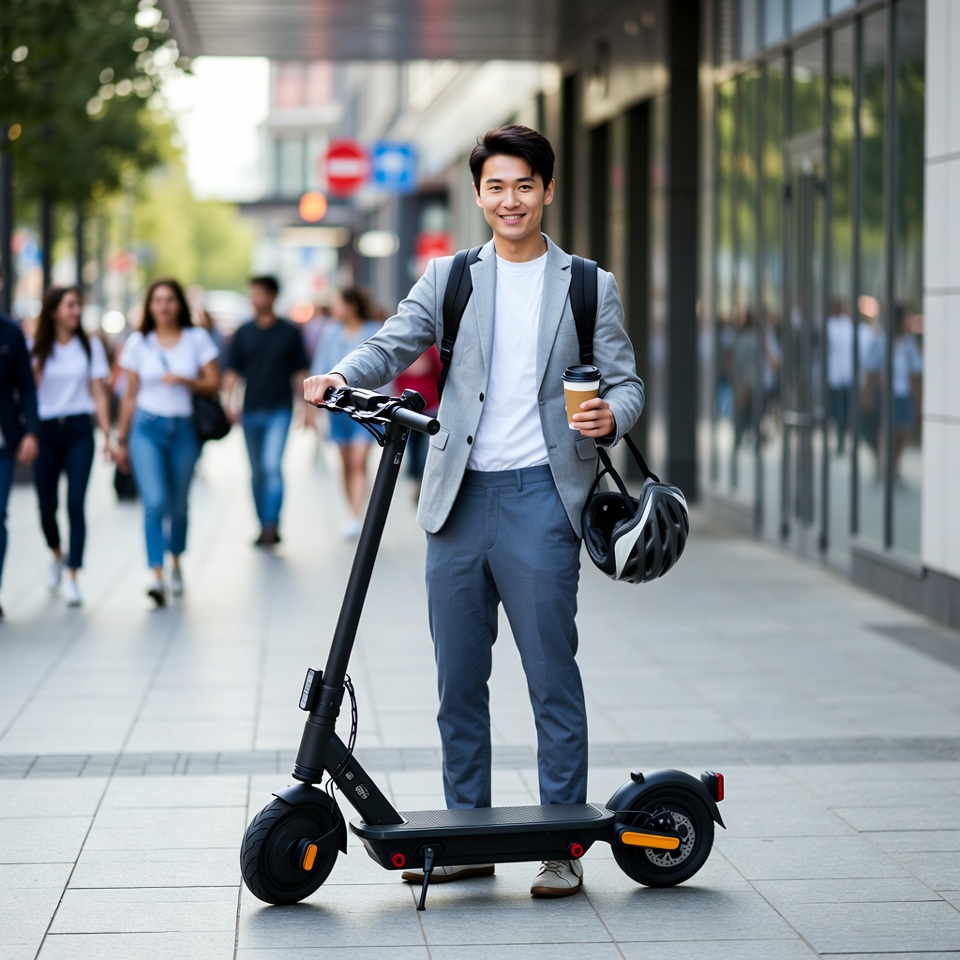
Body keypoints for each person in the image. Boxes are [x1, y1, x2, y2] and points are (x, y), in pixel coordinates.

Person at [304, 125, 644, 897]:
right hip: (456, 501)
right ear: (479, 194)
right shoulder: (450, 276)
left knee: (551, 678)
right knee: (459, 681)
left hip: (542, 500)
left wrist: (611, 418)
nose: (510, 199)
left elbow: (626, 384)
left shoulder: (589, 283)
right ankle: (467, 835)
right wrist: (339, 373)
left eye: (524, 185)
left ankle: (562, 844)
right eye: (496, 186)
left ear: (547, 191)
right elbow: (392, 345)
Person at [115, 278, 220, 606]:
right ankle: (156, 574)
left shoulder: (196, 338)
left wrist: (185, 379)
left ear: (179, 305)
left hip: (184, 429)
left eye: (169, 300)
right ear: (149, 306)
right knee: (155, 501)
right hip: (146, 429)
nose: (163, 306)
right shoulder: (138, 342)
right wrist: (120, 439)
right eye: (157, 300)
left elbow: (213, 382)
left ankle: (175, 559)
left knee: (178, 505)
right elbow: (129, 395)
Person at [30, 287, 113, 606]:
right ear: (53, 312)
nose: (76, 311)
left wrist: (107, 434)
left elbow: (99, 392)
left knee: (76, 504)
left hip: (79, 429)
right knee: (45, 508)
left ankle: (72, 574)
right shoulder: (36, 347)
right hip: (46, 431)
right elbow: (27, 390)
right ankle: (56, 553)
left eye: (78, 305)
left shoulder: (89, 346)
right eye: (69, 306)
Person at [224, 276, 309, 547]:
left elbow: (301, 372)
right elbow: (232, 372)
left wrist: (306, 408)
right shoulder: (244, 332)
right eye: (251, 294)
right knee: (257, 471)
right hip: (250, 410)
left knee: (272, 466)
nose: (253, 299)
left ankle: (271, 523)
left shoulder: (289, 332)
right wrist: (229, 402)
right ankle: (262, 524)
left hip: (279, 410)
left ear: (272, 296)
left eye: (258, 294)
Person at [311, 287, 382, 539]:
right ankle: (351, 515)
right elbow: (320, 366)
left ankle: (356, 514)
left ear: (351, 305)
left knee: (358, 461)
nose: (334, 309)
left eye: (338, 303)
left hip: (367, 410)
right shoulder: (330, 332)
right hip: (338, 409)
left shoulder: (374, 330)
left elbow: (384, 368)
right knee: (344, 463)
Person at [0, 270, 39, 619]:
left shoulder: (11, 332)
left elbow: (26, 385)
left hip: (4, 442)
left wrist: (30, 431)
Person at [394, 344, 441, 500]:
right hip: (407, 408)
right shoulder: (402, 348)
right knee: (412, 447)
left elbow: (441, 369)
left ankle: (424, 483)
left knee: (425, 449)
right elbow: (396, 375)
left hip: (431, 407)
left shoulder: (431, 348)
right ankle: (416, 481)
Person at [825, 300, 854, 455]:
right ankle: (840, 437)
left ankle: (841, 438)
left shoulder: (843, 325)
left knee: (840, 410)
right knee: (838, 410)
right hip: (837, 375)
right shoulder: (837, 325)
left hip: (842, 375)